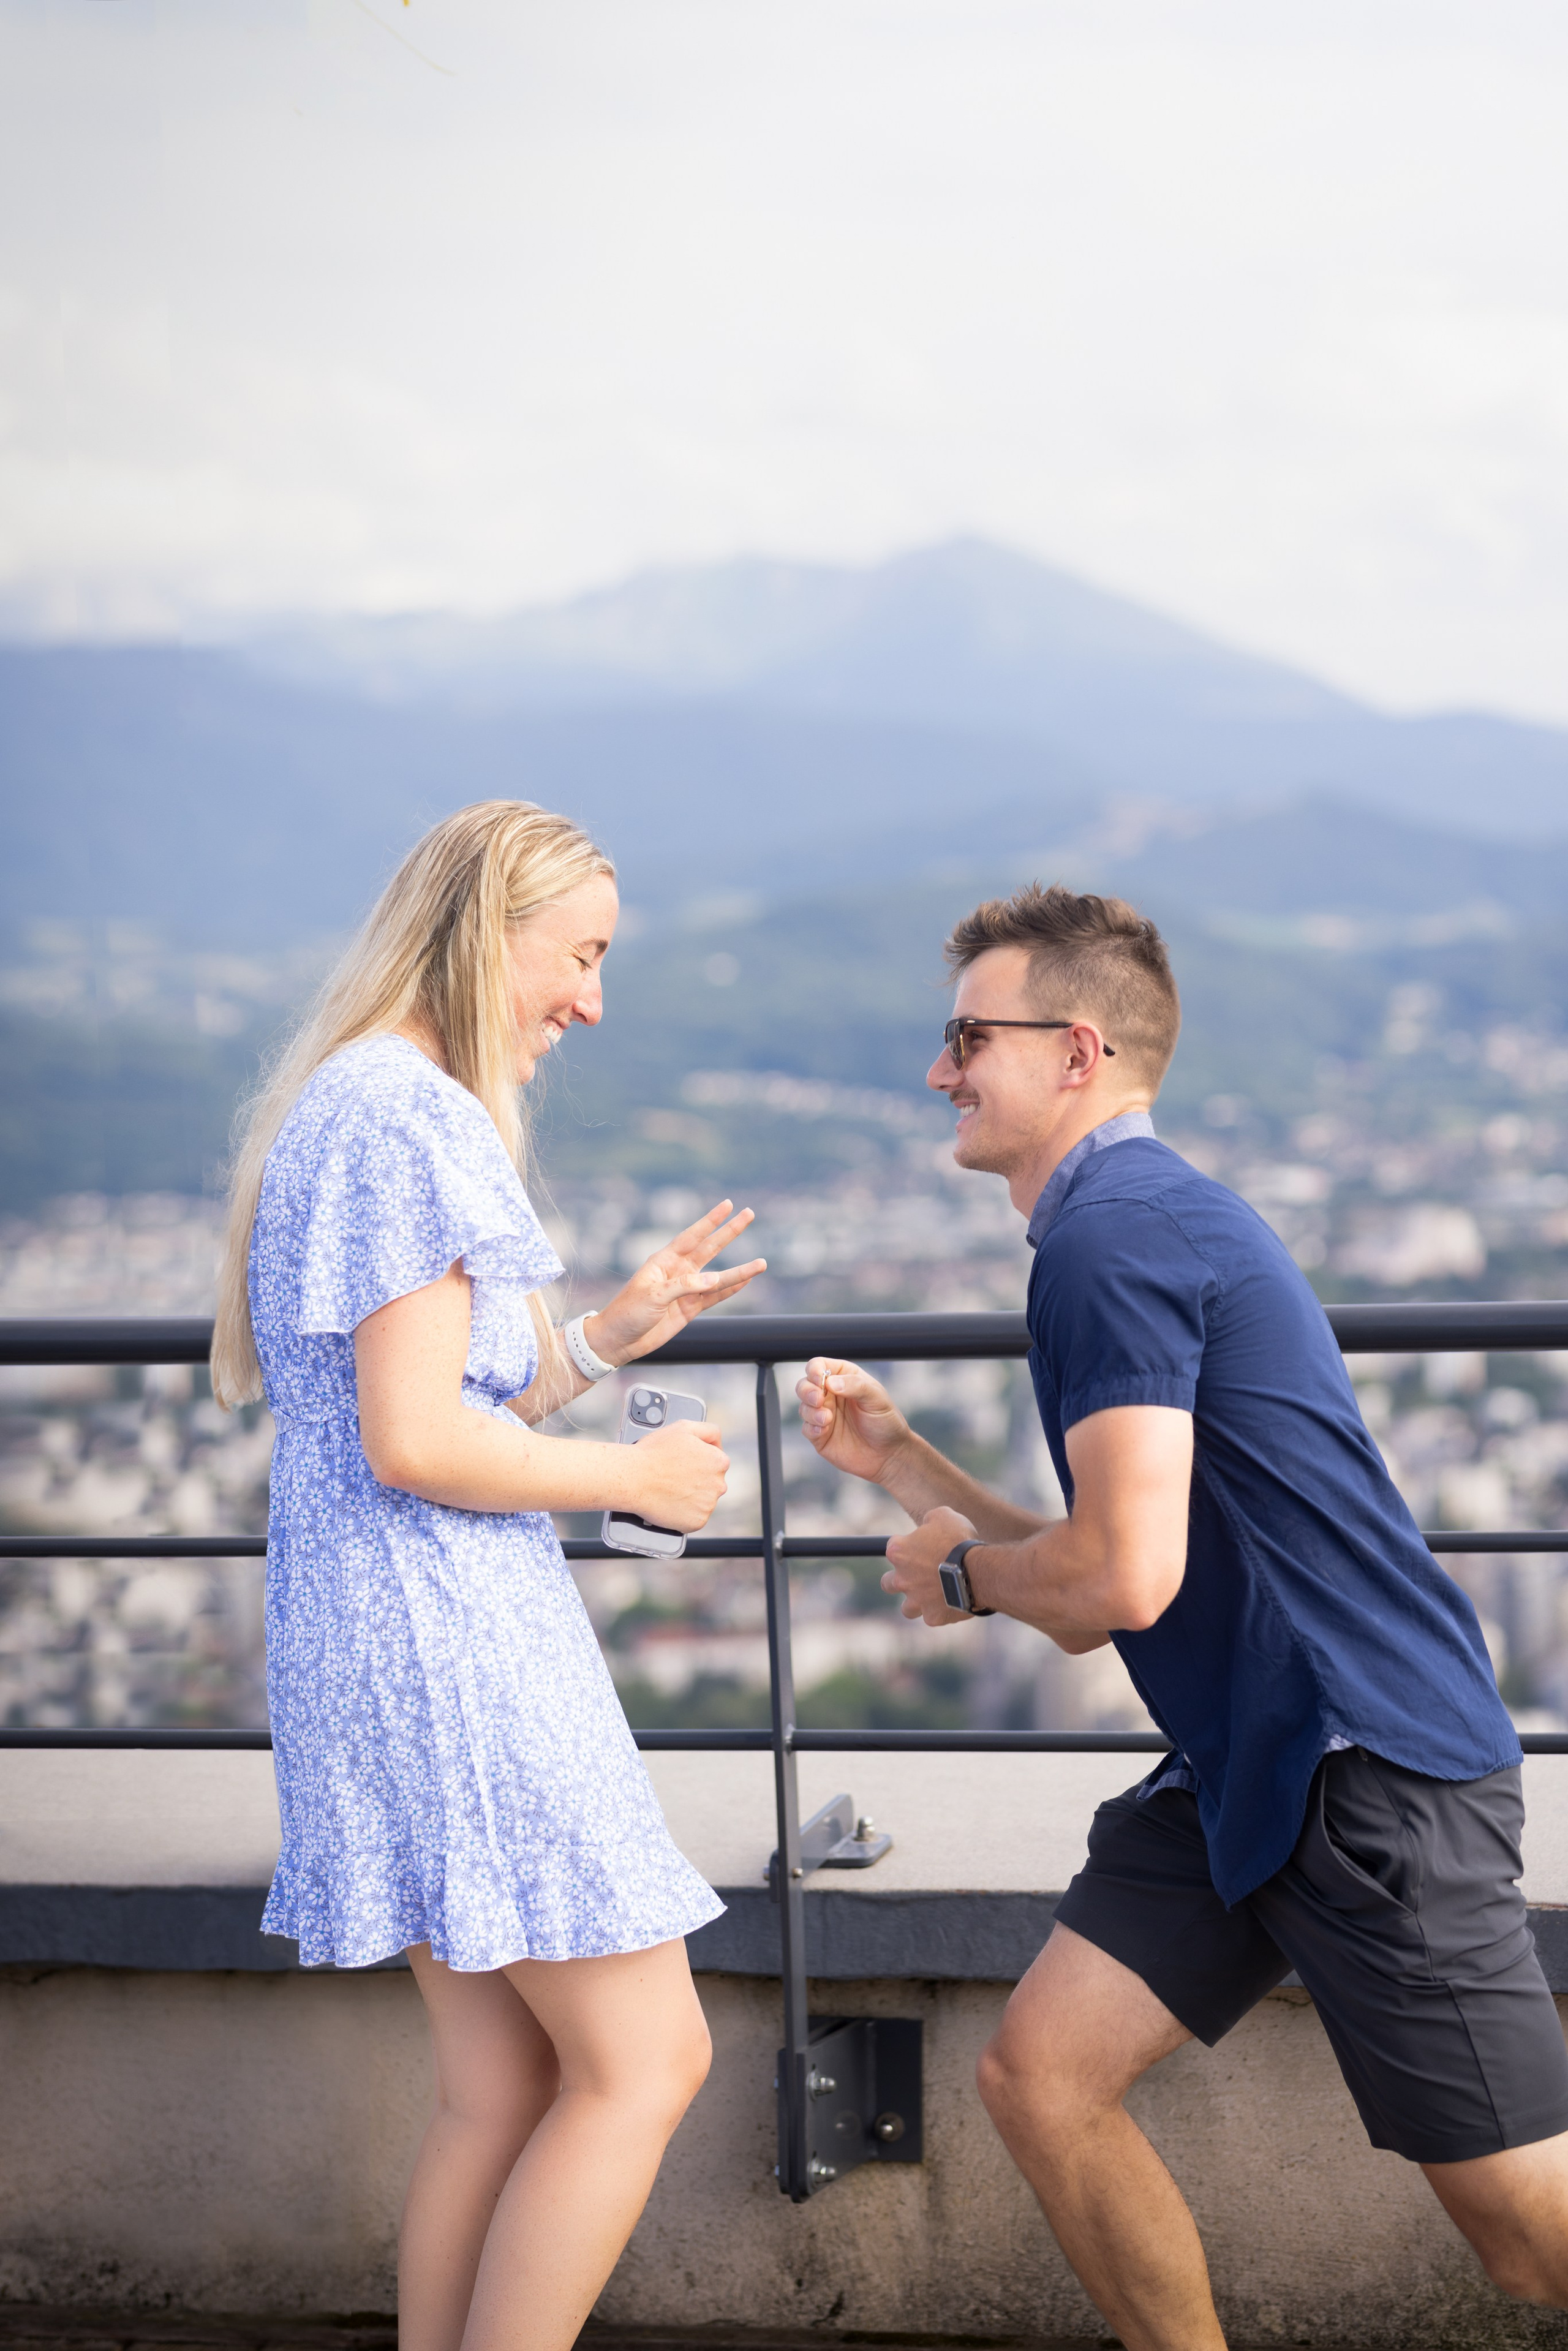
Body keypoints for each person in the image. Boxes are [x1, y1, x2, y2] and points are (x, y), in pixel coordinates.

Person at [796, 881, 1568, 2350]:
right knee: (1041, 2075)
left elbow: (1112, 1589)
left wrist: (961, 1577)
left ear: (1075, 1052)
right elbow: (1108, 1552)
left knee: (1530, 2240)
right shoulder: (1128, 1218)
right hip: (1247, 1761)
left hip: (1363, 1771)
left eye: (966, 1034)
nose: (936, 1068)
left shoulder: (1115, 1236)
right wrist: (904, 1465)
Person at [211, 799, 766, 2351]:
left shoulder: (346, 1098)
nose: (590, 998)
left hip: (364, 1640)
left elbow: (438, 1402)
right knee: (647, 2061)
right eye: (578, 954)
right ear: (486, 930)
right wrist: (635, 1477)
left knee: (500, 2081)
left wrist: (597, 1338)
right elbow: (411, 1440)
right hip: (449, 1644)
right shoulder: (412, 1118)